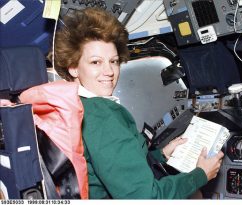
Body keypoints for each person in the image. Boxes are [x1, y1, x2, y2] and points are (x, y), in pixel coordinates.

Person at [50, 7, 224, 199]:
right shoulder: (101, 115)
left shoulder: (77, 106)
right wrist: (200, 175)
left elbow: (111, 167)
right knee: (196, 195)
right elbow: (145, 197)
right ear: (73, 67)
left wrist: (161, 154)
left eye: (114, 61)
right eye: (95, 62)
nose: (109, 71)